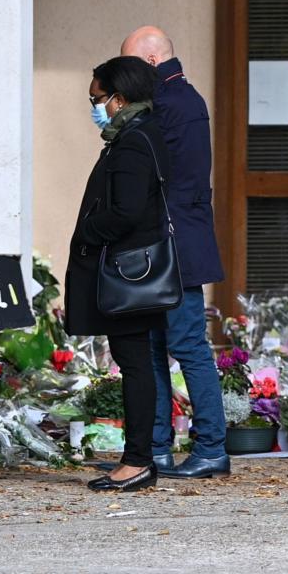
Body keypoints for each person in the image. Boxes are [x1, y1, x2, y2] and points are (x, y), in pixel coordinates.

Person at [115, 25, 229, 479]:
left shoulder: (169, 105)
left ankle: (209, 447)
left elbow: (157, 178)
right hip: (174, 241)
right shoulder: (180, 100)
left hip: (172, 244)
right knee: (157, 346)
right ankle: (156, 448)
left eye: (129, 67)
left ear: (151, 62)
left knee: (185, 345)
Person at [65, 56, 170, 493]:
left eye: (97, 99)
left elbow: (125, 211)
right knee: (138, 362)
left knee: (134, 364)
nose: (94, 108)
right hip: (133, 270)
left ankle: (137, 460)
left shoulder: (131, 142)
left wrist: (86, 230)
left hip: (126, 273)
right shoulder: (141, 134)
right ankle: (140, 457)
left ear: (119, 99)